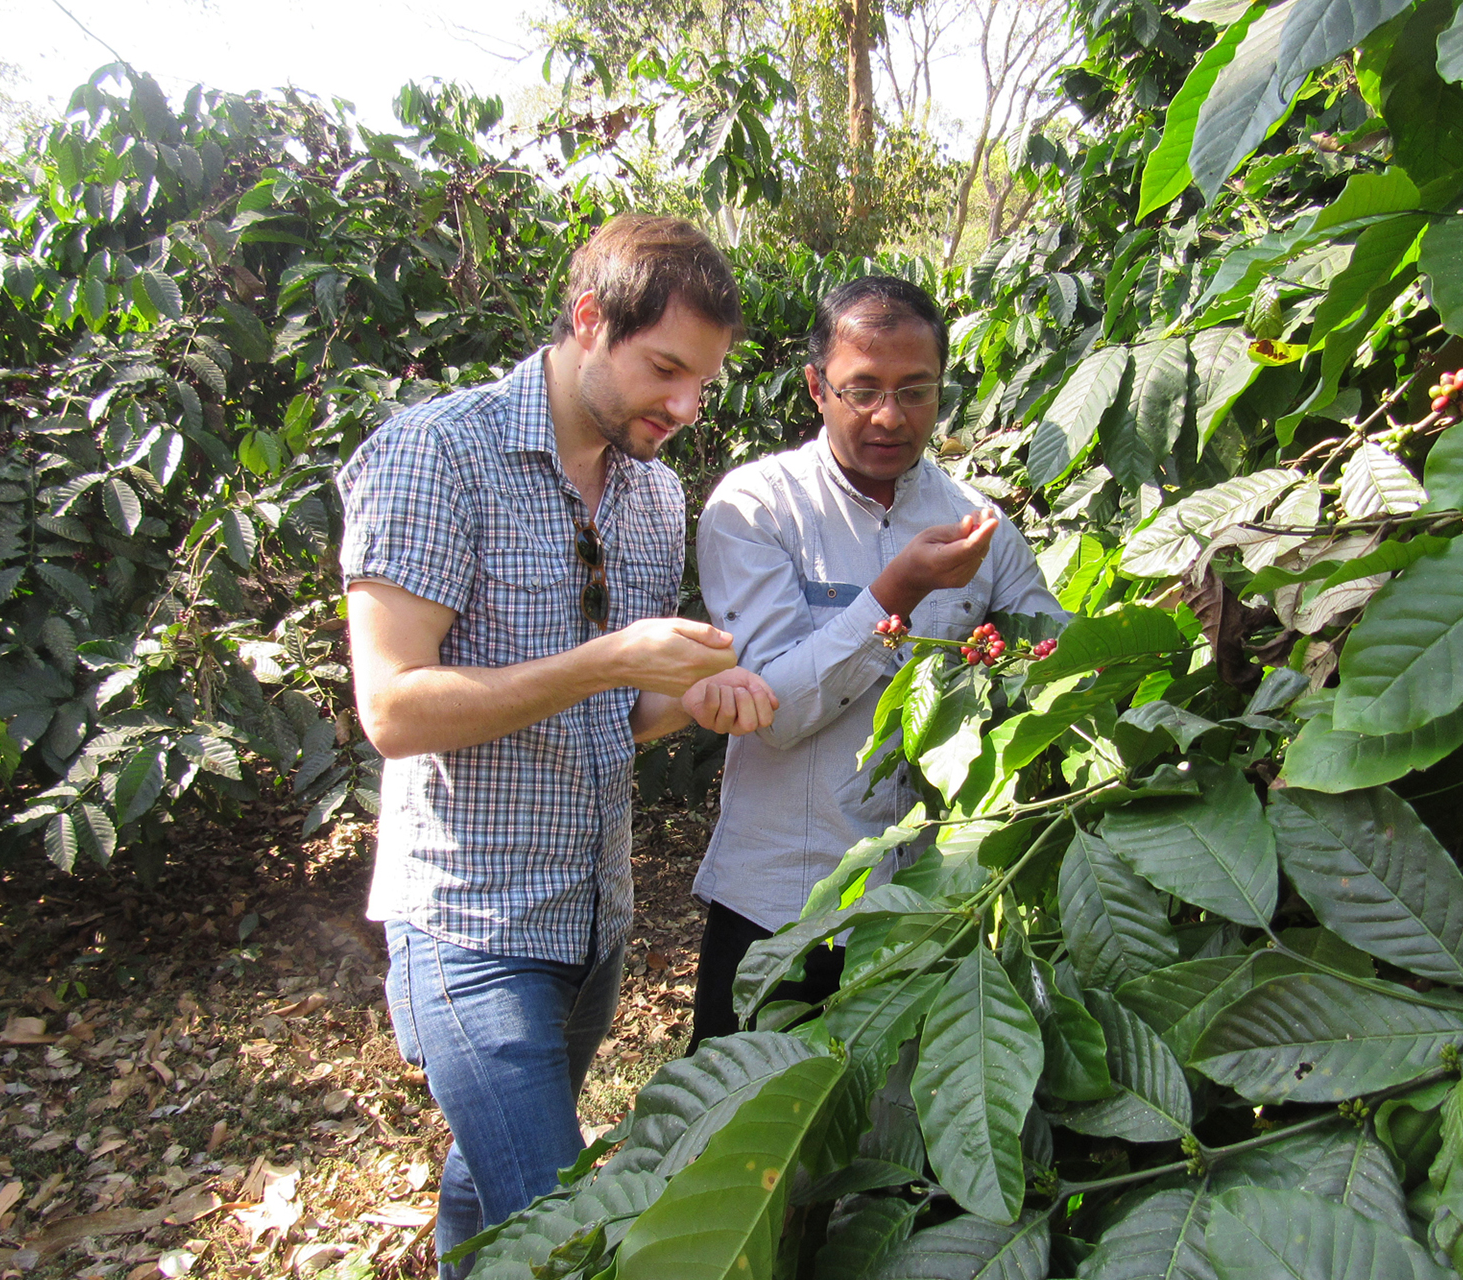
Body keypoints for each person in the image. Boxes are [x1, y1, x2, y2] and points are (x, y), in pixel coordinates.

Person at [337, 214, 779, 1276]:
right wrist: (608, 657)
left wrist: (695, 697)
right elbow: (391, 707)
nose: (683, 406)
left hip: (593, 919)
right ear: (589, 321)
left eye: (702, 384)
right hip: (471, 924)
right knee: (571, 1235)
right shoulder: (436, 454)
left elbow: (614, 713)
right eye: (663, 367)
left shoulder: (653, 493)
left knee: (489, 1192)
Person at [687, 275, 1064, 1049]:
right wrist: (899, 590)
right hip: (777, 907)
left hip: (919, 913)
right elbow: (774, 712)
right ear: (816, 388)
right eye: (863, 391)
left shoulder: (977, 524)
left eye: (915, 391)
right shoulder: (757, 508)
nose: (890, 416)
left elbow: (1049, 658)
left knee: (886, 1149)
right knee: (733, 1138)